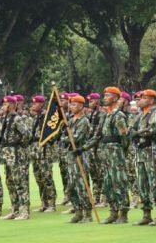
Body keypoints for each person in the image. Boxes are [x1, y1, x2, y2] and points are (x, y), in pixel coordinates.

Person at [83, 86, 130, 224]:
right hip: (105, 153)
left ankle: (123, 212)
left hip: (115, 152)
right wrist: (83, 148)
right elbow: (97, 136)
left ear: (115, 98)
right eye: (105, 95)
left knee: (119, 182)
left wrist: (121, 152)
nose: (105, 98)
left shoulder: (118, 115)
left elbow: (125, 137)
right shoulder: (105, 115)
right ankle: (113, 212)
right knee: (108, 183)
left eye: (108, 95)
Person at [129, 89, 156, 226]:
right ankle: (146, 213)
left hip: (152, 152)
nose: (141, 100)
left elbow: (154, 130)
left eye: (144, 98)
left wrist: (139, 133)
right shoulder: (138, 116)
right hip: (140, 152)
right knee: (142, 183)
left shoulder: (155, 114)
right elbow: (130, 130)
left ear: (151, 100)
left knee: (155, 183)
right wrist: (138, 133)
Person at [0, 95, 32, 221]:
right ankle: (15, 209)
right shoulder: (6, 119)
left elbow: (27, 134)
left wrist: (19, 145)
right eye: (3, 104)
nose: (3, 106)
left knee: (20, 183)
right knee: (10, 182)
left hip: (16, 154)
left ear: (12, 105)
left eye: (6, 104)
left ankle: (24, 211)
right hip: (8, 155)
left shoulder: (16, 119)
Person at [65, 95, 92, 223]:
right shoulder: (70, 120)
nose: (71, 106)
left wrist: (64, 140)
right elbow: (65, 136)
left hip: (80, 155)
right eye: (70, 104)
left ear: (81, 106)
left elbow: (77, 137)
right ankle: (78, 211)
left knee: (82, 185)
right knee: (71, 186)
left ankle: (87, 213)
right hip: (71, 156)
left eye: (74, 104)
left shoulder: (84, 121)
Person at [30, 95, 57, 213]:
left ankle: (51, 204)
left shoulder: (47, 117)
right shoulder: (35, 118)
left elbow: (53, 135)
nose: (33, 105)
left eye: (36, 103)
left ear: (42, 104)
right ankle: (44, 202)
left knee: (47, 178)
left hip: (45, 152)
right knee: (39, 178)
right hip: (35, 152)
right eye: (33, 103)